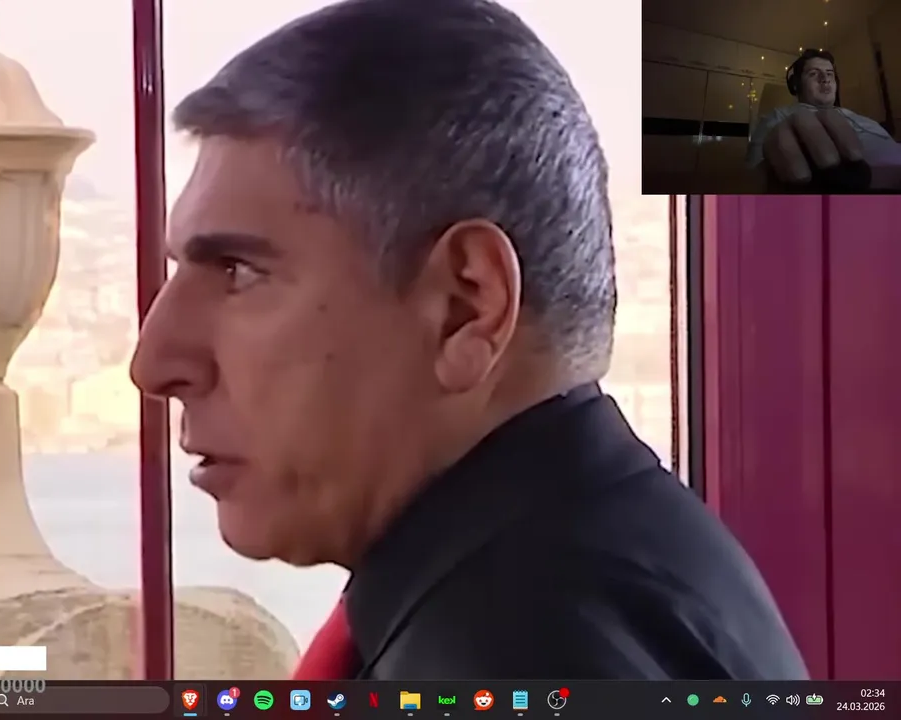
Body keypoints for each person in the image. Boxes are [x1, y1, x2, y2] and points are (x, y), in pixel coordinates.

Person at [130, 0, 809, 680]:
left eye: (238, 271)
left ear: (466, 306)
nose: (153, 364)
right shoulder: (617, 564)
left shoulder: (516, 649)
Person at [747, 49, 901, 189]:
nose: (825, 79)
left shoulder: (861, 117)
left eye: (829, 74)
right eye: (814, 73)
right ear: (796, 84)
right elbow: (752, 180)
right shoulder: (779, 117)